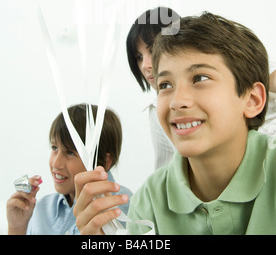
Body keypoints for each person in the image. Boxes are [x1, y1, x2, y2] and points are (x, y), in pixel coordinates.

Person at [73, 12, 276, 235]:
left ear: (253, 100)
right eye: (166, 85)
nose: (177, 102)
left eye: (200, 78)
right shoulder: (149, 200)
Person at [6, 103, 132, 235]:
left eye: (71, 152)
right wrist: (17, 228)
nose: (56, 164)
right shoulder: (41, 208)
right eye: (54, 148)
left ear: (106, 161)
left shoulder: (123, 206)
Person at [126, 6, 179, 169]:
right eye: (139, 57)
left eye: (153, 50)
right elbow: (164, 172)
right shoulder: (155, 110)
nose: (146, 65)